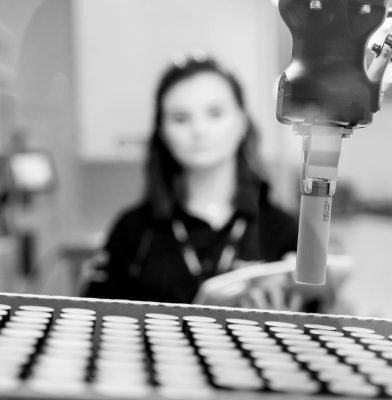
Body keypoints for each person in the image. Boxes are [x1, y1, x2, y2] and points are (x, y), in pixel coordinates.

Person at [85, 55, 299, 306]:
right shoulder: (133, 230)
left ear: (242, 122)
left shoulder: (282, 229)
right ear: (162, 132)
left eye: (215, 113)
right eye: (181, 118)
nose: (199, 129)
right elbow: (94, 324)